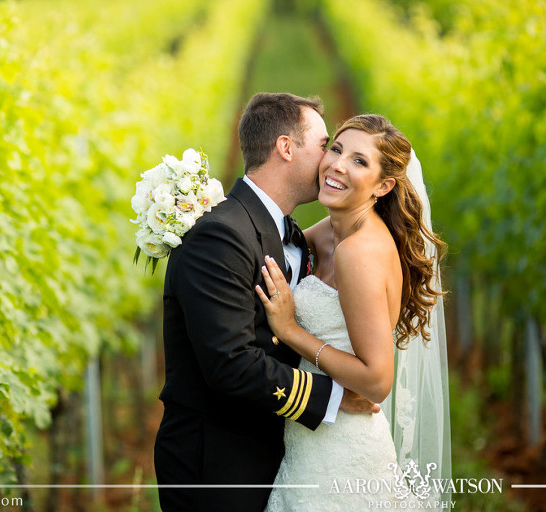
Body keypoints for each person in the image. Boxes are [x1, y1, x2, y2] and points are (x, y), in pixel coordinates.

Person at [153, 93, 380, 512]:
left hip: (272, 453)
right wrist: (334, 398)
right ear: (286, 148)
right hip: (218, 466)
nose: (332, 161)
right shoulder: (219, 236)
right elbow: (231, 364)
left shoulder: (285, 231)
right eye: (326, 145)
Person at [256, 114, 448, 510]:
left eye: (360, 161)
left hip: (342, 454)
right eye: (337, 149)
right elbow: (261, 246)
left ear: (383, 185)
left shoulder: (359, 253)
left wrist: (292, 332)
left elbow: (376, 382)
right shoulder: (329, 231)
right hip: (309, 440)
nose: (338, 165)